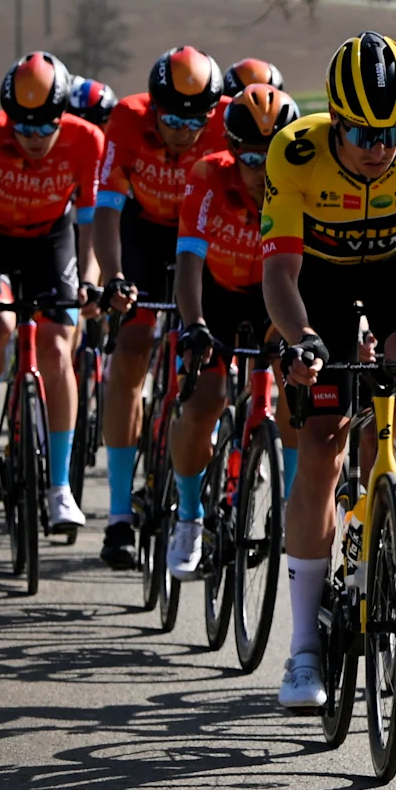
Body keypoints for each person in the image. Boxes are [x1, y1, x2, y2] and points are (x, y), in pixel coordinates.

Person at [259, 33, 396, 711]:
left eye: (391, 132)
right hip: (320, 280)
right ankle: (302, 649)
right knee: (319, 444)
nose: (379, 148)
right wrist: (303, 338)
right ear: (333, 121)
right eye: (362, 133)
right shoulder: (296, 151)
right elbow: (280, 273)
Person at [0, 53, 109, 535]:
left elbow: (89, 227)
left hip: (51, 240)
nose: (35, 140)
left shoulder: (87, 140)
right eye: (24, 129)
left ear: (64, 116)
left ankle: (59, 486)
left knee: (58, 346)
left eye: (46, 129)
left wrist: (88, 283)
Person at [83, 46, 225, 570]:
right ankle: (119, 513)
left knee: (209, 356)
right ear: (154, 107)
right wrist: (115, 277)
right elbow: (106, 212)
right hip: (142, 235)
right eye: (173, 119)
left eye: (197, 120)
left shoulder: (227, 124)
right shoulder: (126, 119)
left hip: (203, 240)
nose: (185, 131)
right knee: (133, 347)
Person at [160, 84, 292, 581]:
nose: (261, 171)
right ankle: (190, 516)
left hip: (272, 297)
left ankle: (291, 506)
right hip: (213, 296)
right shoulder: (206, 176)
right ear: (233, 150)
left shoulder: (298, 181)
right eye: (251, 158)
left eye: (272, 156)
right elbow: (188, 260)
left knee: (299, 393)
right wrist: (192, 324)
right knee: (205, 399)